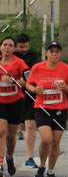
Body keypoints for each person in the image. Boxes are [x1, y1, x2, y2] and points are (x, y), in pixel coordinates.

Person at [26, 41, 68, 177]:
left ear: (60, 53)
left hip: (60, 109)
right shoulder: (37, 68)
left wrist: (65, 87)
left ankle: (50, 170)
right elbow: (28, 84)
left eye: (57, 51)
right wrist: (35, 90)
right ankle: (41, 166)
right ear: (46, 53)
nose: (54, 54)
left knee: (55, 142)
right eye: (51, 51)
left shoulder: (66, 69)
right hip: (42, 108)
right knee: (47, 139)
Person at [0, 36, 28, 177]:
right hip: (0, 102)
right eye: (5, 45)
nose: (7, 47)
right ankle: (0, 163)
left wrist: (12, 81)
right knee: (1, 131)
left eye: (10, 45)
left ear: (14, 48)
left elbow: (28, 81)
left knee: (11, 135)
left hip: (15, 102)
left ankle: (9, 157)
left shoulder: (19, 63)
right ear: (1, 47)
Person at [15, 33, 40, 167]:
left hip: (30, 94)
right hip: (12, 95)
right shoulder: (11, 58)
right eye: (21, 47)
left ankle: (29, 157)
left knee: (30, 125)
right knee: (8, 129)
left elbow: (35, 74)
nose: (24, 49)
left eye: (26, 47)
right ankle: (7, 157)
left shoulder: (33, 56)